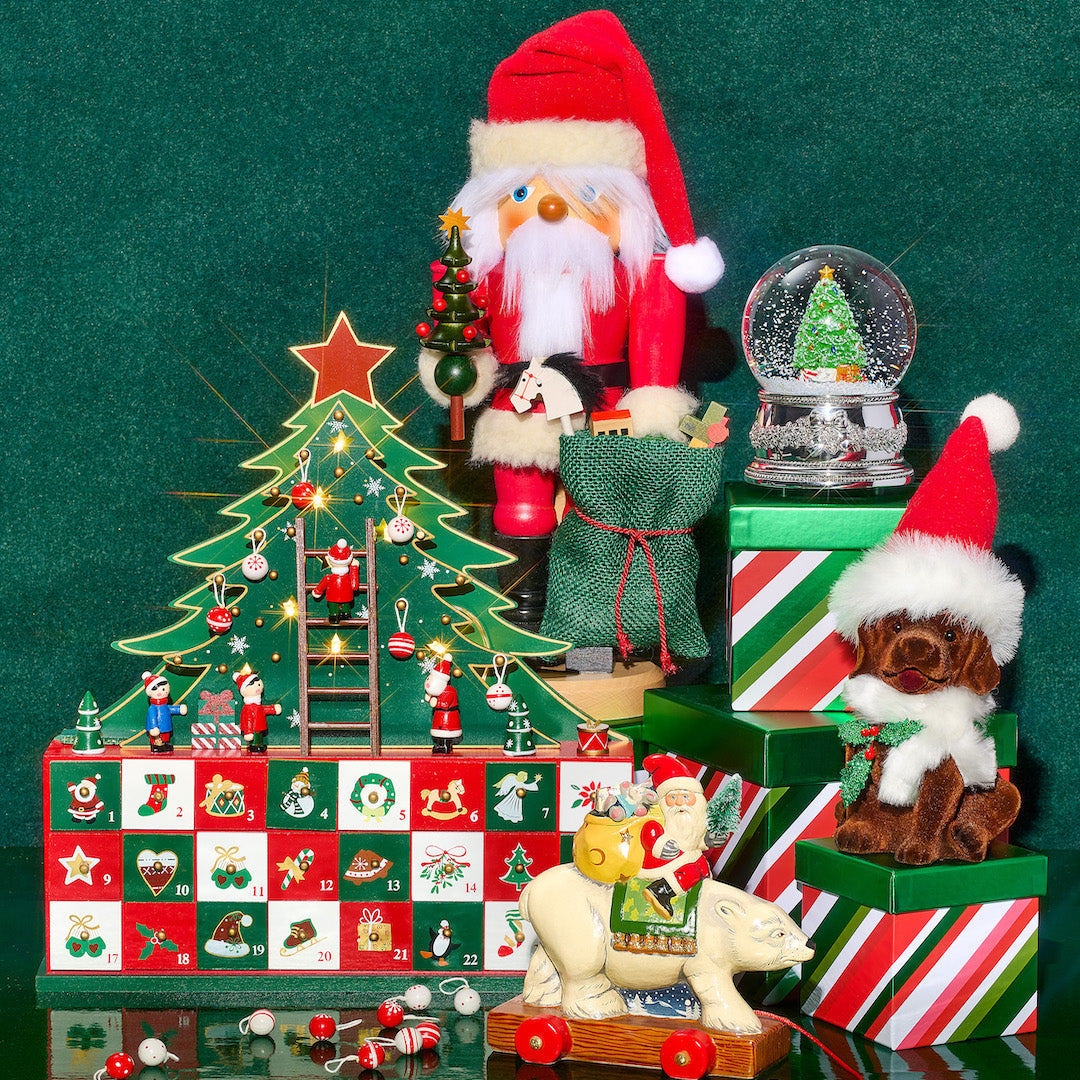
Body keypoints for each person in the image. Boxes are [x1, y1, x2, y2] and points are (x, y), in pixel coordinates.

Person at [418, 12, 723, 624]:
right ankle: (525, 618)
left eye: (582, 195)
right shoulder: (482, 272)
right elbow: (463, 332)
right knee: (521, 508)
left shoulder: (643, 272)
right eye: (524, 195)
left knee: (603, 516)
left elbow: (657, 340)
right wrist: (458, 365)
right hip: (520, 401)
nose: (552, 210)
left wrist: (654, 401)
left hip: (607, 407)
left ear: (621, 206)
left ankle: (595, 628)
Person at [638, 753, 711, 918]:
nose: (679, 802)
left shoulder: (695, 819)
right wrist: (660, 845)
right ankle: (659, 891)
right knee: (692, 870)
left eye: (685, 797)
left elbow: (696, 838)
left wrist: (707, 840)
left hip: (687, 854)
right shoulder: (658, 816)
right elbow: (649, 832)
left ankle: (699, 896)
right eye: (672, 797)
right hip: (663, 861)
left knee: (702, 866)